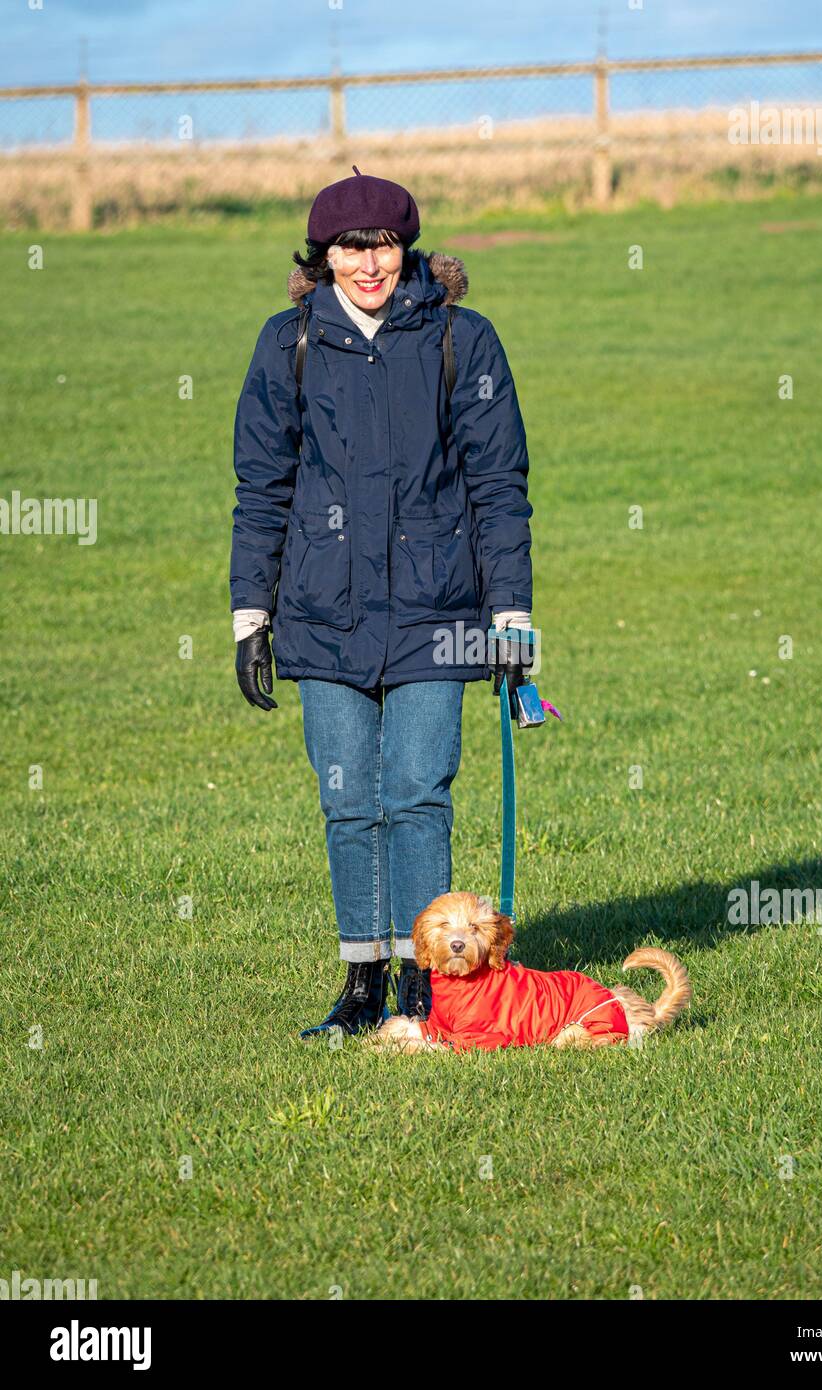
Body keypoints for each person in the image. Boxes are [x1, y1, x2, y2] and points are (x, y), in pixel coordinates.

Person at [230, 167, 534, 1037]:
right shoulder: (287, 342)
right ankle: (361, 986)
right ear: (322, 256)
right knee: (347, 801)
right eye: (350, 247)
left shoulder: (459, 341)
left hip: (440, 615)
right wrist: (252, 616)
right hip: (321, 615)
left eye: (385, 245)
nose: (369, 264)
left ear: (410, 247)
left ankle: (421, 985)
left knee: (415, 792)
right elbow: (261, 487)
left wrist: (509, 615)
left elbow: (499, 486)